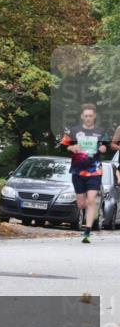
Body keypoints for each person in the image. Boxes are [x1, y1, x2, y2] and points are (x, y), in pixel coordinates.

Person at [60, 104, 109, 243]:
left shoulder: (101, 131)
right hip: (78, 170)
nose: (88, 118)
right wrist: (71, 147)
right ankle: (87, 210)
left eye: (90, 116)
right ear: (82, 116)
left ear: (94, 116)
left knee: (91, 200)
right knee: (81, 204)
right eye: (86, 116)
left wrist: (103, 148)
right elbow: (62, 146)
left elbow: (106, 146)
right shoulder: (73, 131)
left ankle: (87, 232)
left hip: (94, 170)